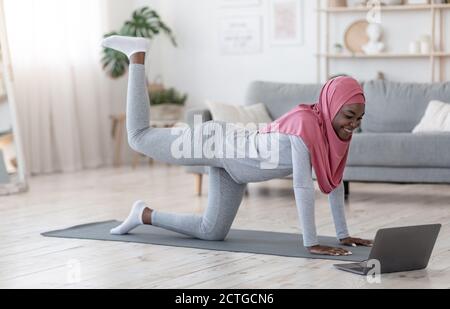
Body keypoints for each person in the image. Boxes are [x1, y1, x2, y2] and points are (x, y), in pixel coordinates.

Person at [102, 35, 373, 257]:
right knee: (139, 137)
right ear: (331, 106)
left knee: (212, 232)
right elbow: (302, 186)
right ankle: (137, 55)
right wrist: (311, 243)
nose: (353, 124)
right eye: (349, 116)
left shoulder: (336, 136)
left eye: (359, 118)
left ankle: (143, 214)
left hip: (237, 169)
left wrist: (343, 235)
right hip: (218, 143)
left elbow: (335, 183)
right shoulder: (304, 124)